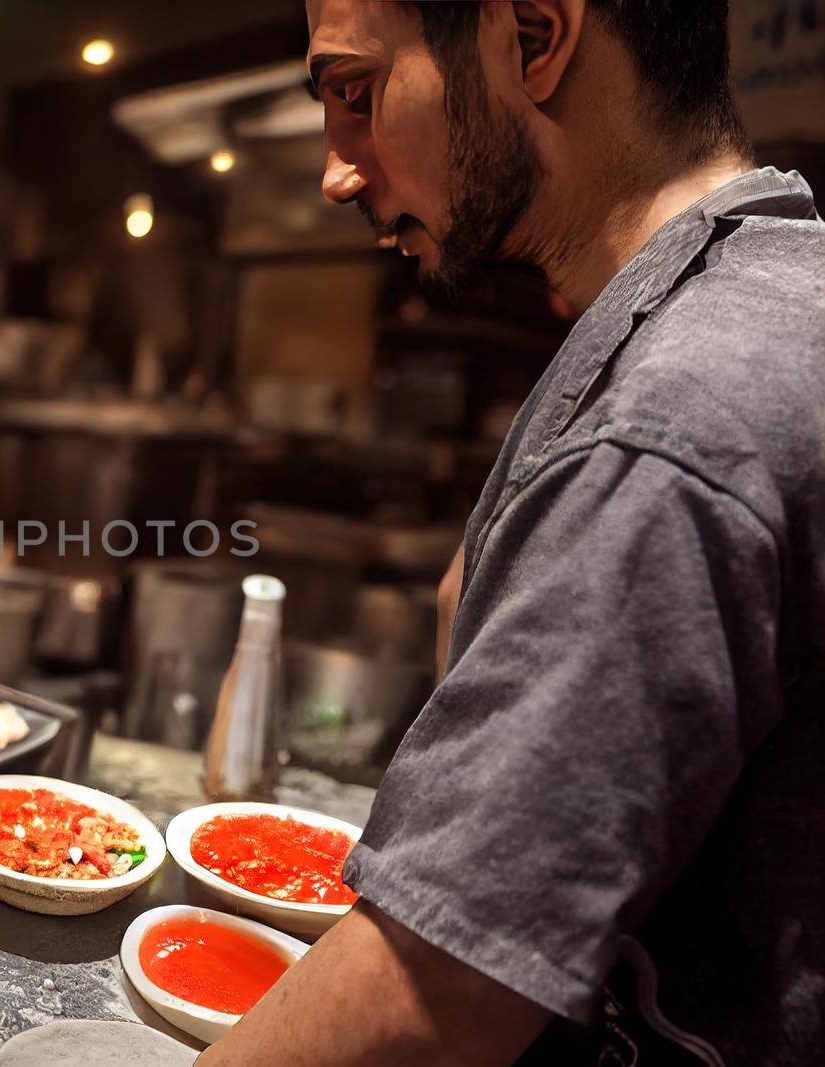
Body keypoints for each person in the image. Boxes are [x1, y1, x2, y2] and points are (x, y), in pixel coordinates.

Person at [202, 2, 823, 1066]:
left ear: (533, 36)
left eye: (355, 92)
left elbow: (431, 990)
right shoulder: (751, 295)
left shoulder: (679, 414)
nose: (336, 173)